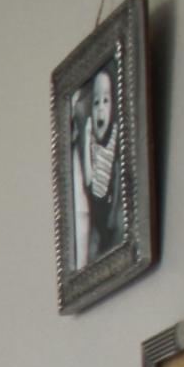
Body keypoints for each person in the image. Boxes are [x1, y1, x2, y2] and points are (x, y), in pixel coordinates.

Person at [67, 63, 120, 271]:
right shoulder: (89, 147)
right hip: (96, 216)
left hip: (108, 216)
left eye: (106, 101)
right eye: (96, 102)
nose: (100, 108)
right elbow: (89, 181)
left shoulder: (115, 140)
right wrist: (87, 138)